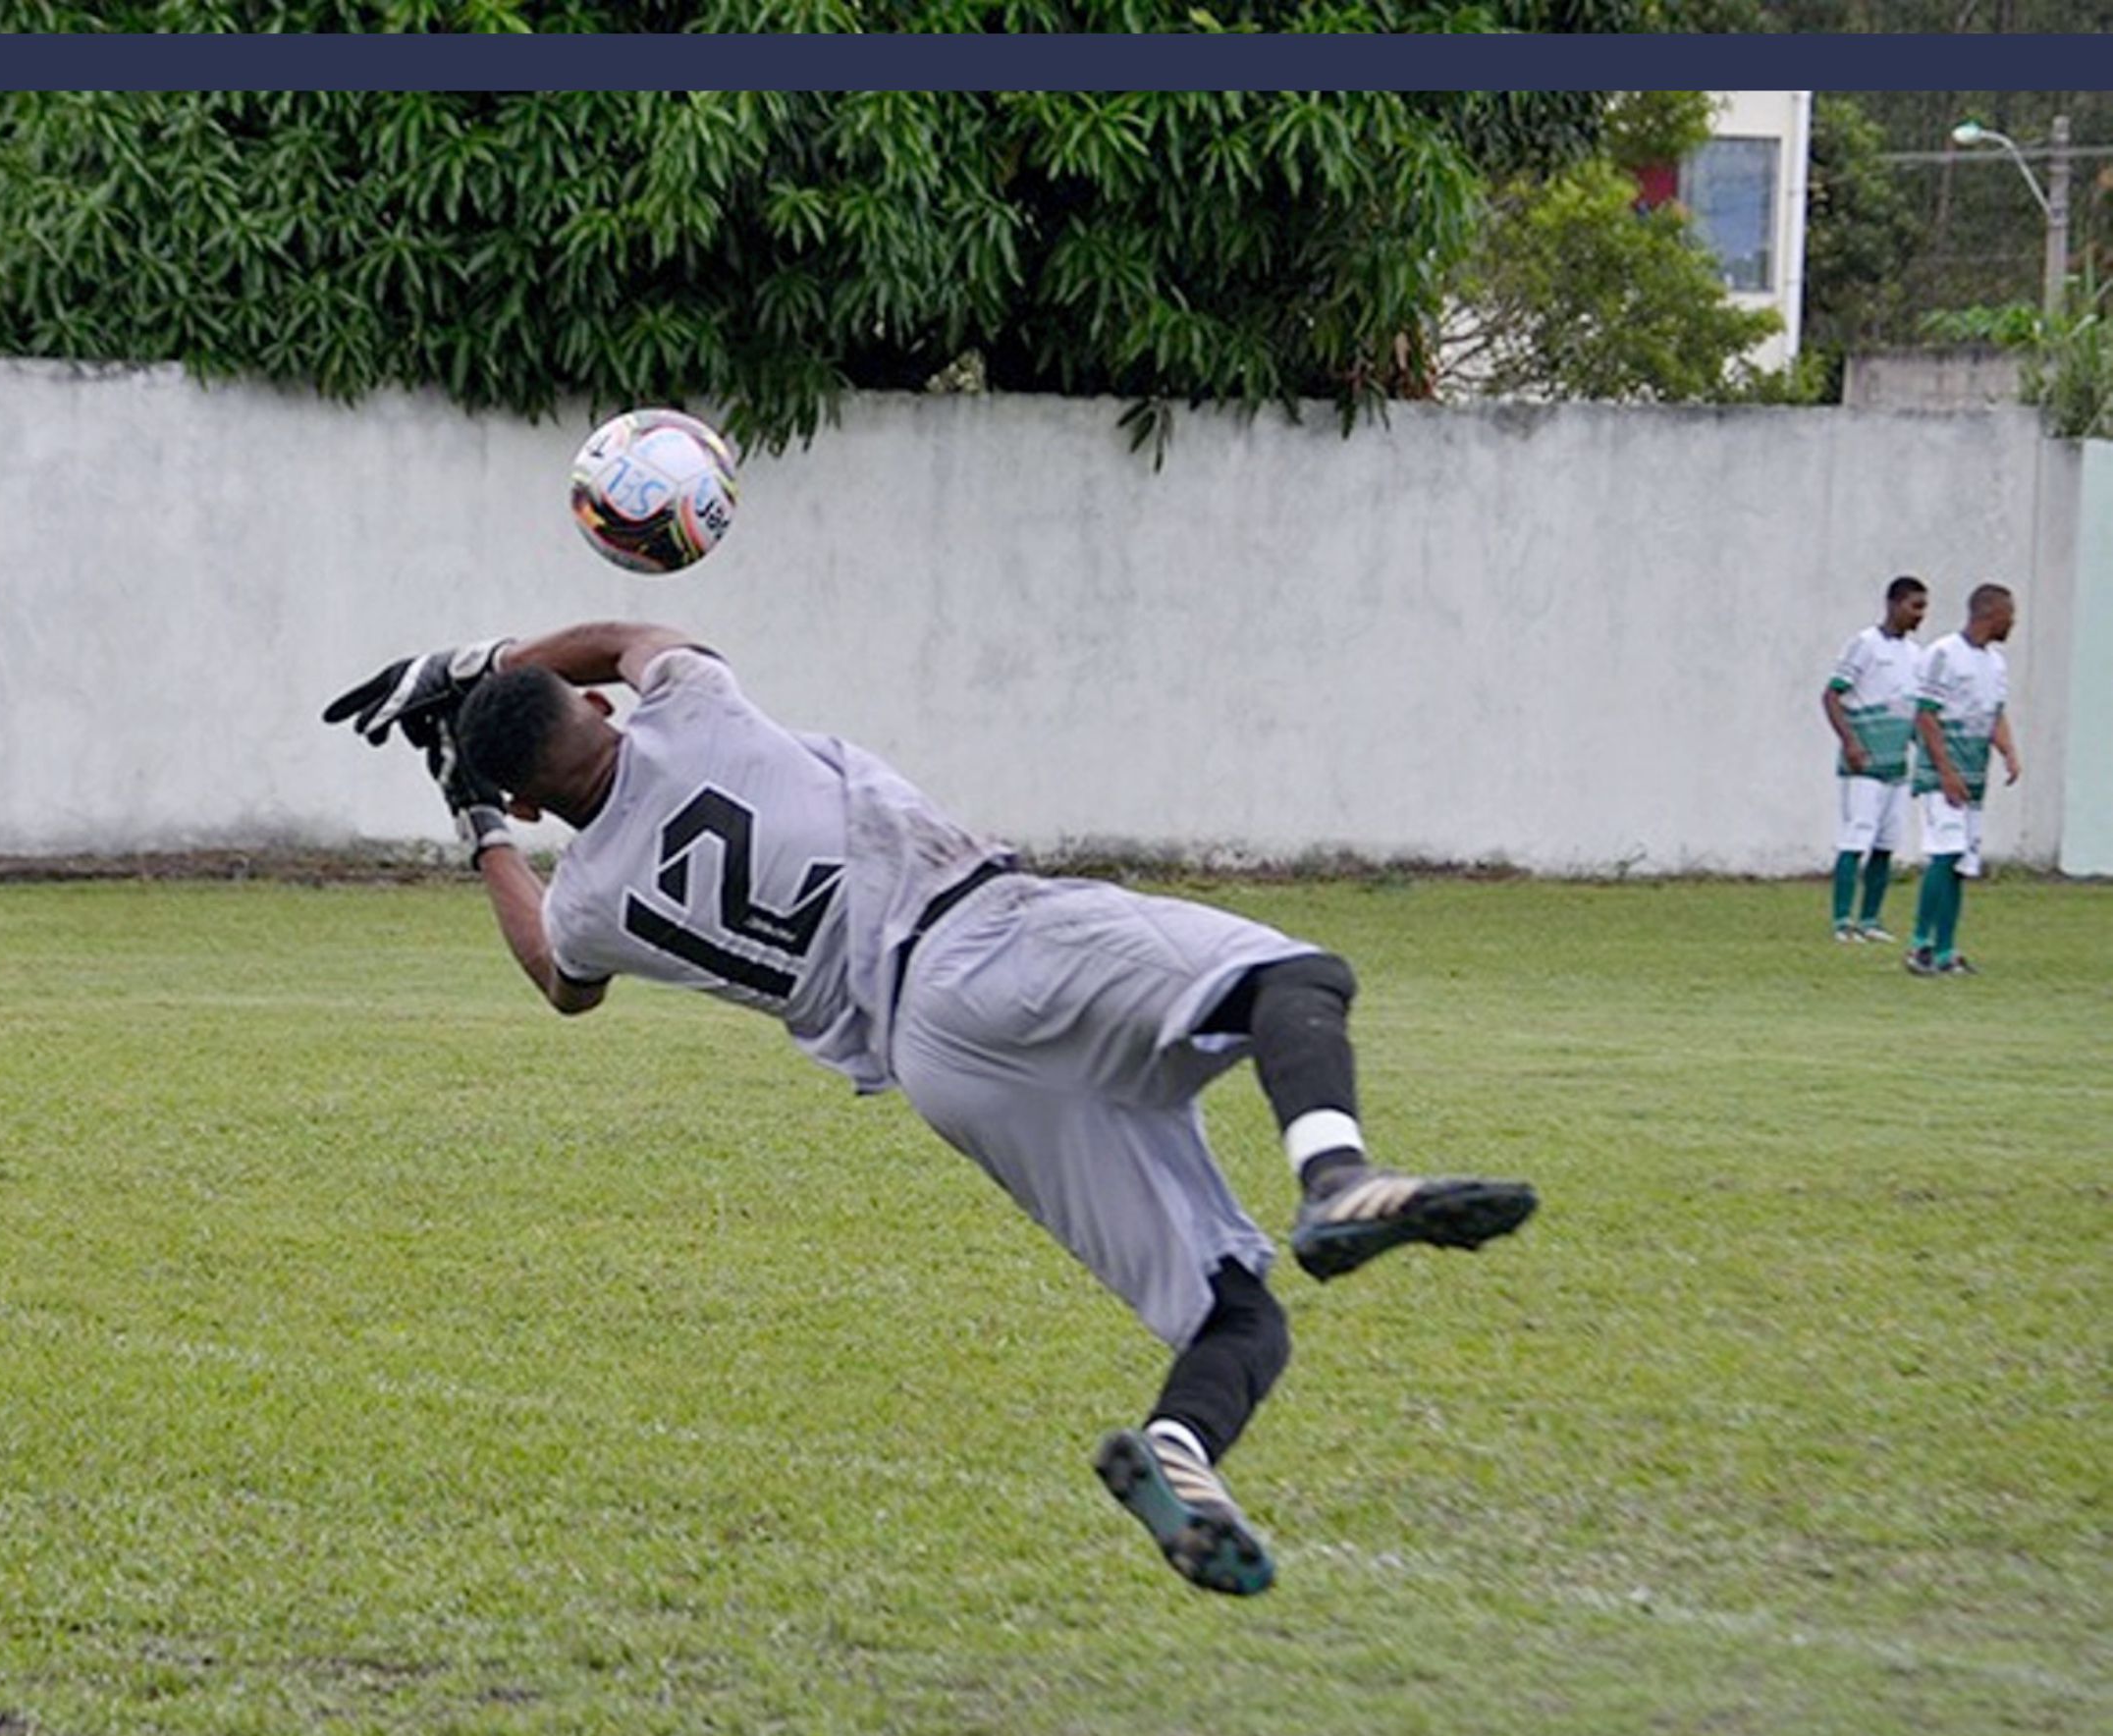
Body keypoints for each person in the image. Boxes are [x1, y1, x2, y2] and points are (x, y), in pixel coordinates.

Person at [325, 624, 1538, 1599]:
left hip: (936, 1062)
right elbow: (632, 636)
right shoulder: (693, 712)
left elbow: (558, 982)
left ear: (536, 811)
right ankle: (1334, 1177)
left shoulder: (586, 900)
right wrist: (478, 664)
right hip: (984, 934)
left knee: (1231, 1305)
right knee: (1293, 981)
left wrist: (481, 826)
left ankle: (1182, 1455)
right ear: (596, 711)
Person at [1904, 583, 2022, 977]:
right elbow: (1926, 714)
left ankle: (1946, 950)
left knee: (1961, 863)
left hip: (1974, 776)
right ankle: (1920, 944)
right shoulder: (1943, 654)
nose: (2013, 623)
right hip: (1942, 776)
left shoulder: (1996, 663)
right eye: (2010, 615)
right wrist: (1945, 771)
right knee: (1946, 851)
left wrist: (2008, 751)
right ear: (1991, 614)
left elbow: (1995, 714)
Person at [1821, 575, 1927, 944]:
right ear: (1894, 604)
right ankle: (1842, 921)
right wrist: (1850, 741)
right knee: (1856, 838)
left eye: (1923, 607)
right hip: (1864, 763)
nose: (1920, 615)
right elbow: (1832, 695)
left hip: (1896, 765)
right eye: (1915, 606)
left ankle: (1870, 919)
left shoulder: (1916, 656)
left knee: (1886, 843)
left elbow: (1913, 711)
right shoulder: (1865, 645)